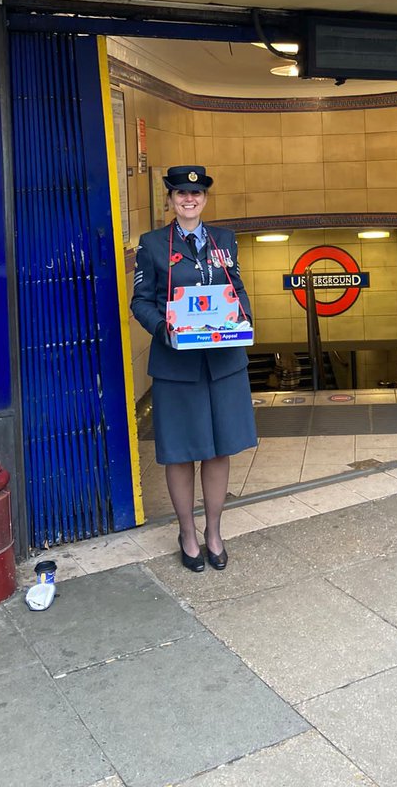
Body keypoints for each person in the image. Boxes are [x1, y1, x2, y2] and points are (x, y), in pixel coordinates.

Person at [131, 165, 256, 572]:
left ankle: (214, 532)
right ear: (169, 198)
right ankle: (187, 532)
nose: (189, 199)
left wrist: (243, 321)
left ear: (204, 198)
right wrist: (164, 329)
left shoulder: (224, 241)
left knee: (219, 450)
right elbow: (141, 302)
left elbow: (236, 289)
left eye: (196, 193)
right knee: (182, 452)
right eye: (181, 193)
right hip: (177, 364)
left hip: (222, 362)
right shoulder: (152, 245)